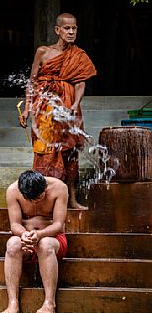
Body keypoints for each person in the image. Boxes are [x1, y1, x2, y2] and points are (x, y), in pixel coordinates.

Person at [19, 12, 97, 210]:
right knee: (46, 153)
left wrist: (73, 105)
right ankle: (45, 202)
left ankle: (71, 199)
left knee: (70, 154)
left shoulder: (78, 55)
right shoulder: (43, 52)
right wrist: (27, 108)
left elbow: (80, 84)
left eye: (74, 28)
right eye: (67, 28)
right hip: (45, 111)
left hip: (68, 109)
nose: (71, 32)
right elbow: (33, 81)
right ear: (58, 30)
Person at [0, 169, 68, 313]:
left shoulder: (59, 188)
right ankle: (12, 302)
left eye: (40, 196)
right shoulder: (12, 191)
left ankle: (50, 303)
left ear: (45, 188)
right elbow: (14, 224)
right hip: (26, 237)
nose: (36, 201)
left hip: (53, 238)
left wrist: (40, 234)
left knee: (45, 244)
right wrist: (24, 234)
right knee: (12, 244)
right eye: (31, 199)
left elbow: (58, 225)